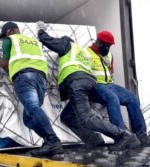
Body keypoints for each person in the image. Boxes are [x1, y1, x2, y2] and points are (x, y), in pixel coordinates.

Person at [36, 21, 141, 151]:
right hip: (89, 82)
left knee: (86, 118)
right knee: (67, 116)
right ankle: (94, 141)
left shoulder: (67, 44)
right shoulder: (82, 51)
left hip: (76, 82)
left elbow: (48, 41)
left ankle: (123, 135)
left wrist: (41, 30)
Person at [0, 21, 64, 159]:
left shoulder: (10, 40)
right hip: (41, 79)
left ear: (10, 31)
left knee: (32, 108)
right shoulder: (33, 41)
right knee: (28, 118)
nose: (4, 37)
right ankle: (48, 142)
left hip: (24, 77)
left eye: (4, 34)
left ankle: (53, 141)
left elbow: (7, 66)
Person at [86, 30, 150, 147]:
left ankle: (142, 136)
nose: (108, 48)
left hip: (109, 85)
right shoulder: (86, 53)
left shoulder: (109, 55)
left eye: (110, 45)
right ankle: (122, 136)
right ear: (98, 42)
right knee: (113, 98)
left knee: (132, 98)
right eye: (106, 45)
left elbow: (110, 72)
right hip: (94, 85)